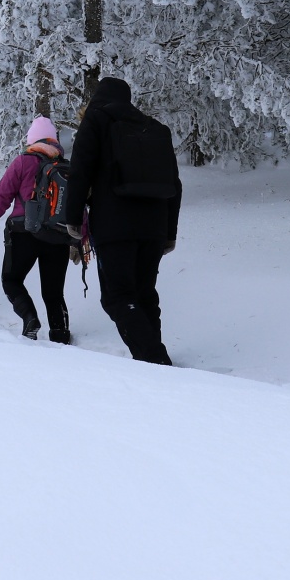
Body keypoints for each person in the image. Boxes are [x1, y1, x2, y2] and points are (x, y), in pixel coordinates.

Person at [66, 77, 179, 365]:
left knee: (117, 297)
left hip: (114, 224)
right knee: (144, 295)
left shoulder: (96, 121)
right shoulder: (153, 127)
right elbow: (174, 183)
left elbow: (80, 172)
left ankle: (155, 360)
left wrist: (73, 218)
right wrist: (169, 233)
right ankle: (153, 360)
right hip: (153, 226)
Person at [0, 116, 73, 343]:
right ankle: (61, 335)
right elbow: (77, 208)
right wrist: (78, 240)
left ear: (31, 140)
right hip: (58, 237)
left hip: (23, 233)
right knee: (54, 292)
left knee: (11, 280)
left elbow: (2, 196)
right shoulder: (65, 168)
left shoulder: (22, 162)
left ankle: (30, 318)